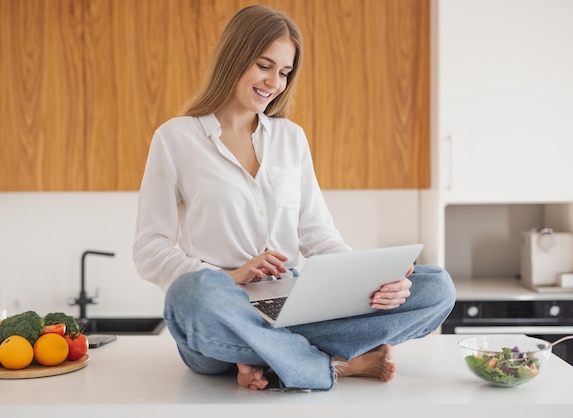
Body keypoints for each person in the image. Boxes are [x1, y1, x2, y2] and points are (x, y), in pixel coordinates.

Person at [133, 4, 456, 392]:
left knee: (436, 286)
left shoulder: (291, 139)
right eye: (264, 65)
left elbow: (319, 237)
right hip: (221, 312)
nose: (274, 82)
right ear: (234, 57)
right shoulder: (176, 138)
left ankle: (266, 359)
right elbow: (150, 248)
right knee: (189, 296)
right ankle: (330, 366)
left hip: (293, 307)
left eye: (284, 72)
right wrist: (228, 278)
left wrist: (373, 281)